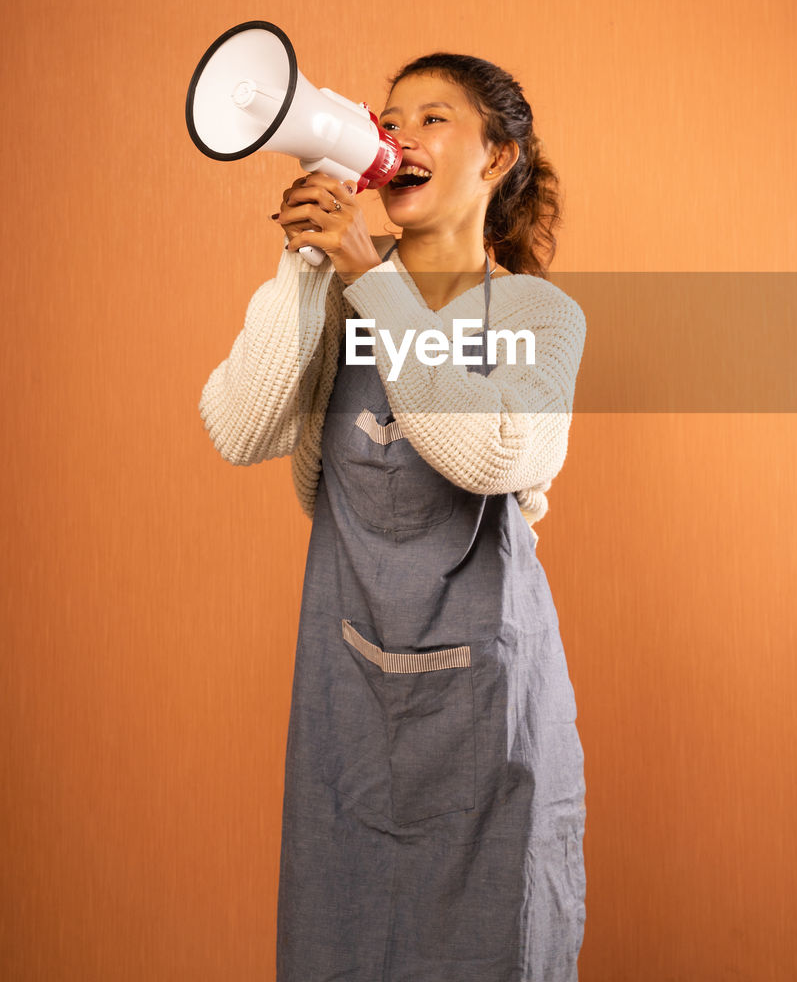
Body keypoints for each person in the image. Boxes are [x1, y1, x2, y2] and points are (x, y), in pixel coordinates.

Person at [199, 51, 588, 981]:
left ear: (497, 157)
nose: (395, 137)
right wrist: (304, 271)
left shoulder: (537, 312)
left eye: (432, 119)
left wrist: (368, 274)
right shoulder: (333, 292)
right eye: (386, 118)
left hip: (488, 706)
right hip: (350, 700)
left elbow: (492, 452)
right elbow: (235, 427)